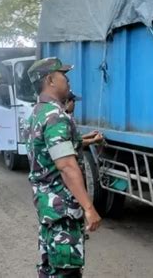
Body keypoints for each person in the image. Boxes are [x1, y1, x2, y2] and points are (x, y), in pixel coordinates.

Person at [26, 57, 102, 277]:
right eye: (63, 75)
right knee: (66, 271)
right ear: (50, 79)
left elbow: (53, 150)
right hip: (62, 209)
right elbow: (66, 165)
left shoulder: (37, 113)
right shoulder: (55, 116)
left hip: (48, 208)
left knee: (50, 269)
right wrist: (89, 207)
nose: (67, 80)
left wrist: (82, 140)